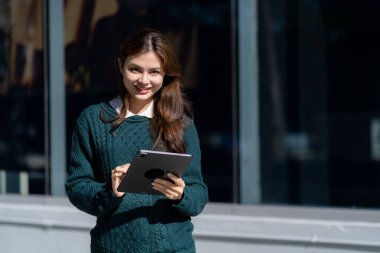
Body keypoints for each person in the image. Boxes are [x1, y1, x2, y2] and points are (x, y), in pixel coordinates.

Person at [65, 28, 209, 253]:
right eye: (135, 69)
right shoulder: (93, 120)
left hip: (174, 248)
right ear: (121, 65)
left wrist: (181, 194)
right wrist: (110, 191)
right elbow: (77, 186)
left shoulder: (181, 123)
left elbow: (198, 194)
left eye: (154, 72)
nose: (144, 80)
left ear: (165, 74)